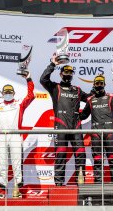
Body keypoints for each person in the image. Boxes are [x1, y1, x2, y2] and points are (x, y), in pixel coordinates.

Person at [40, 54, 91, 186]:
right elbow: (43, 80)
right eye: (66, 72)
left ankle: (80, 184)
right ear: (61, 74)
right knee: (61, 156)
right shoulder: (55, 88)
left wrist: (84, 115)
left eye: (70, 73)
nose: (68, 74)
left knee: (80, 156)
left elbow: (91, 100)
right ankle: (59, 185)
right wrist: (52, 65)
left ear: (72, 75)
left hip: (75, 127)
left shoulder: (77, 90)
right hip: (61, 127)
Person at [0, 72, 34, 198]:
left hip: (15, 136)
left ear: (13, 93)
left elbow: (31, 96)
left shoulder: (19, 104)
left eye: (10, 92)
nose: (8, 94)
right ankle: (2, 193)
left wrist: (28, 79)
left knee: (17, 165)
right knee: (2, 165)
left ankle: (18, 192)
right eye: (6, 92)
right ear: (2, 94)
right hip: (1, 137)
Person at [80, 75, 113, 183]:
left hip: (109, 132)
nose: (99, 85)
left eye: (101, 83)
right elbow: (83, 116)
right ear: (94, 85)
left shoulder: (111, 97)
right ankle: (98, 183)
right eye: (97, 83)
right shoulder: (90, 100)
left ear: (104, 84)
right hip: (96, 133)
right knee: (98, 160)